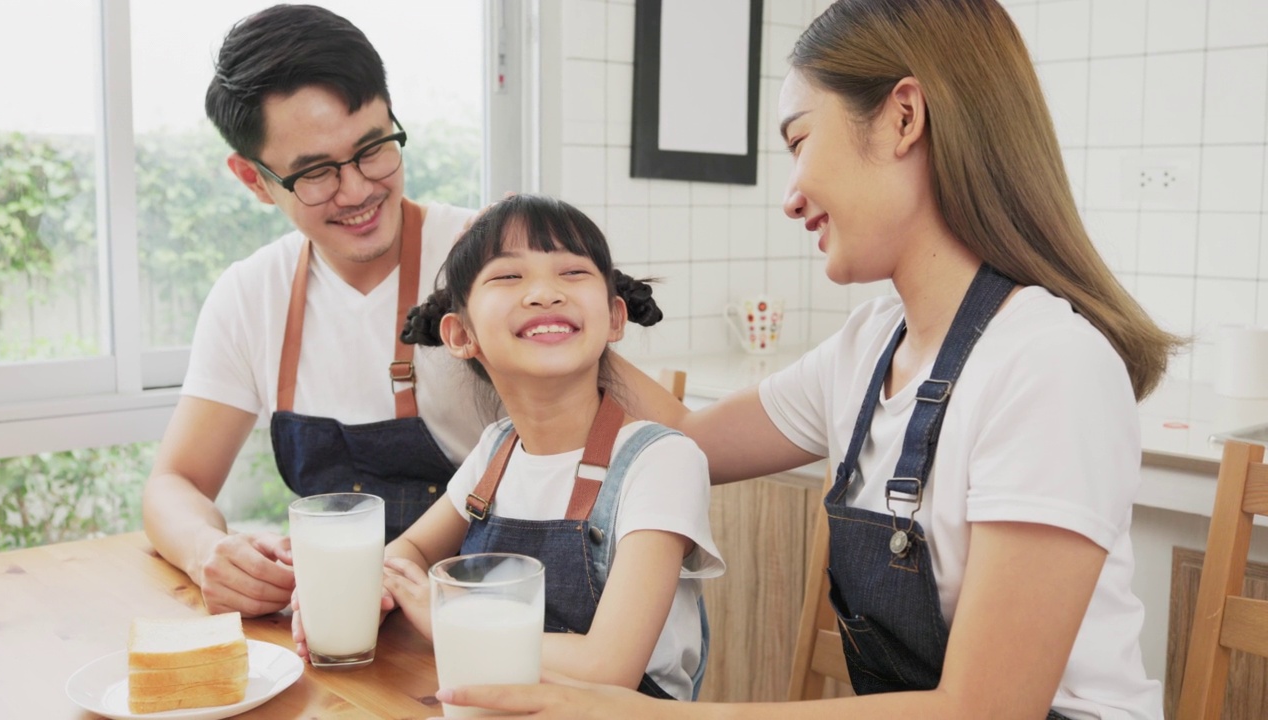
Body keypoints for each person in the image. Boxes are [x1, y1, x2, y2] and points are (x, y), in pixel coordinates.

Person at [433, 1, 1182, 718]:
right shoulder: (868, 346)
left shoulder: (1046, 364)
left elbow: (986, 710)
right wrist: (545, 302)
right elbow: (683, 440)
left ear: (904, 117)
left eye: (798, 142)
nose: (790, 197)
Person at [292, 194, 724, 701]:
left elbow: (609, 669)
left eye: (572, 272)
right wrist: (362, 589)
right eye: (508, 277)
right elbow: (407, 550)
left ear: (613, 318)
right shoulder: (495, 451)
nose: (544, 293)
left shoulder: (661, 462)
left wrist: (446, 617)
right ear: (460, 334)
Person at [142, 4, 491, 619]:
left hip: (491, 616)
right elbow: (175, 484)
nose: (357, 190)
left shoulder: (488, 260)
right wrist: (208, 551)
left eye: (373, 148)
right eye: (315, 173)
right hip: (343, 627)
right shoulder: (251, 295)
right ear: (253, 179)